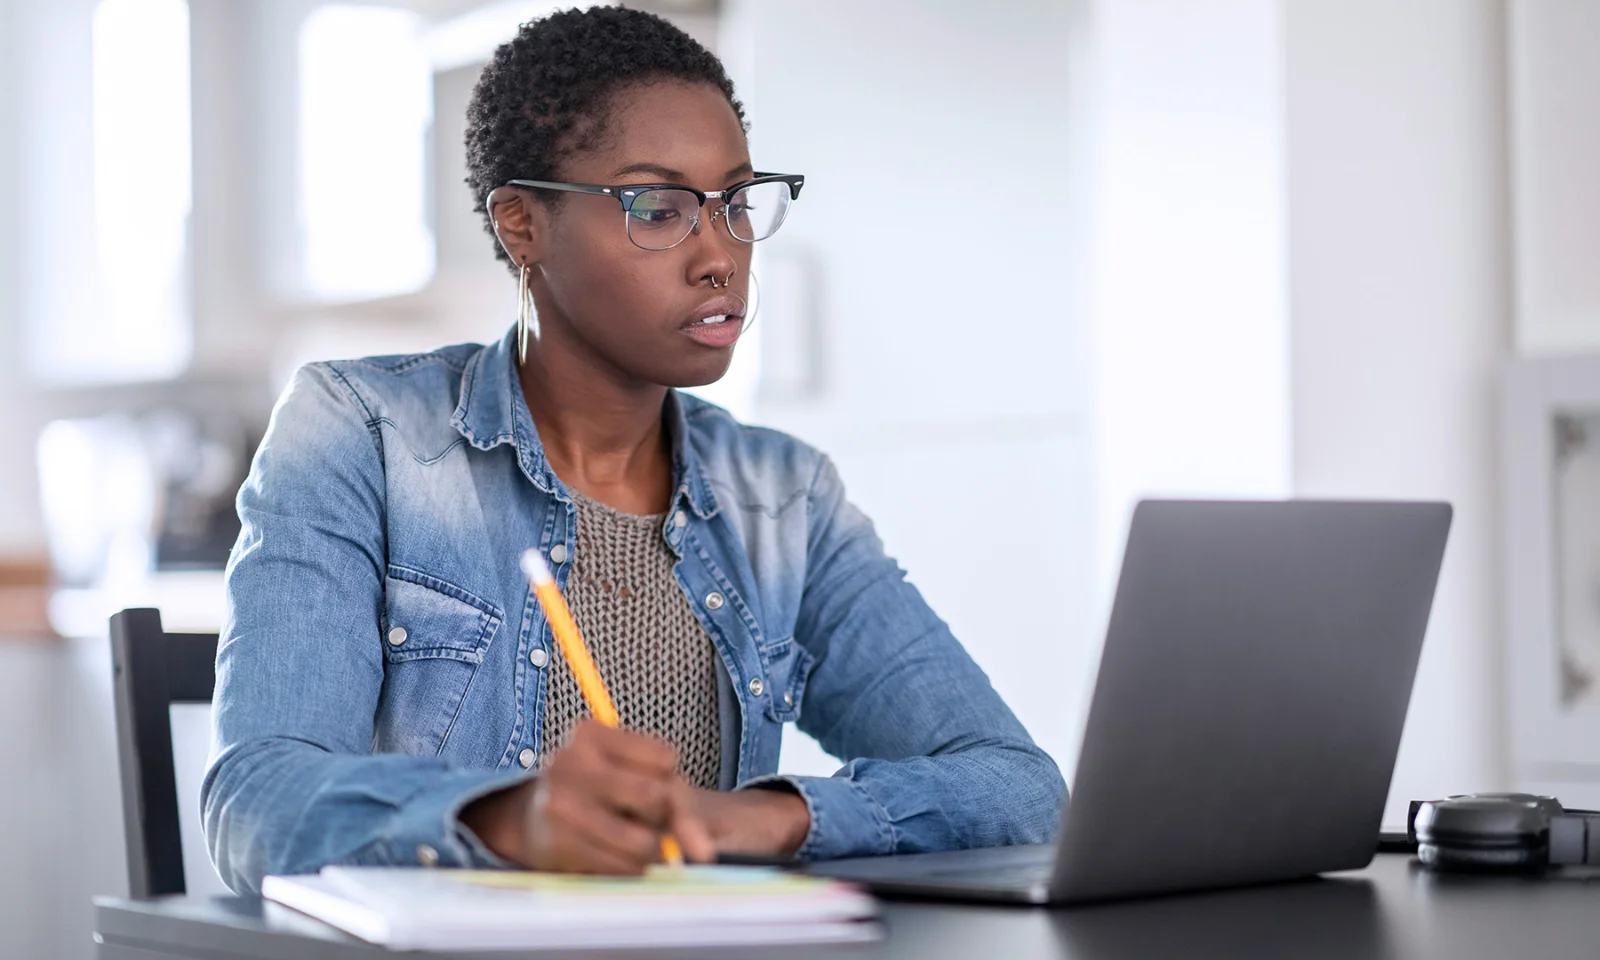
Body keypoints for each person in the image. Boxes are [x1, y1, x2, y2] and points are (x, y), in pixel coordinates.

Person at [203, 5, 1064, 894]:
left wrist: (762, 817)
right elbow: (257, 801)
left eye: (732, 203)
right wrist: (514, 820)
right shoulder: (362, 433)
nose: (720, 256)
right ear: (520, 225)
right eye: (659, 208)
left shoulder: (781, 496)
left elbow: (1017, 785)